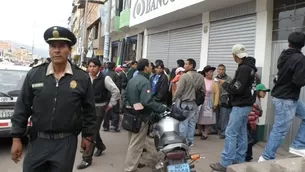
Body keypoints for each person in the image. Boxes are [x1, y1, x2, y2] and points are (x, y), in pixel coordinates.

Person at [10, 26, 96, 172]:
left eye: (61, 46)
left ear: (69, 49)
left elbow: (89, 110)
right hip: (38, 141)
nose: (56, 50)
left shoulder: (81, 77)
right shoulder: (35, 74)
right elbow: (22, 107)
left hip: (66, 142)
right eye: (52, 46)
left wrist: (88, 136)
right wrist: (16, 138)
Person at [258, 32, 305, 161]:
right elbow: (298, 81)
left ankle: (299, 145)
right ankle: (267, 157)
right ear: (302, 45)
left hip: (282, 96)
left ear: (289, 43)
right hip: (287, 99)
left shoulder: (283, 55)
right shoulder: (300, 59)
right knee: (280, 130)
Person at [210, 44, 257, 171]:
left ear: (234, 56)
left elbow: (237, 88)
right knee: (241, 133)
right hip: (247, 105)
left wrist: (224, 84)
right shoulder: (252, 69)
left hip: (240, 105)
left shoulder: (244, 69)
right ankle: (239, 159)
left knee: (230, 133)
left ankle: (225, 162)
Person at [123, 59, 167, 172]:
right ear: (145, 68)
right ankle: (130, 168)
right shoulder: (145, 81)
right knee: (136, 144)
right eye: (150, 66)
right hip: (140, 117)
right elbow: (147, 101)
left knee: (132, 141)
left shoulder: (133, 79)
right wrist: (161, 108)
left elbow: (124, 95)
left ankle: (135, 163)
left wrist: (129, 106)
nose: (151, 68)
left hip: (131, 115)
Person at [77, 58, 120, 169]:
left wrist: (110, 105)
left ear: (99, 67)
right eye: (90, 66)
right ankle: (101, 146)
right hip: (86, 109)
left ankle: (86, 159)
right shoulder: (85, 77)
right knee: (92, 130)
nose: (91, 69)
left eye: (94, 66)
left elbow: (116, 91)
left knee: (91, 133)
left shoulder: (105, 78)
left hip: (99, 108)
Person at [173, 58, 205, 147]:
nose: (184, 66)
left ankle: (183, 142)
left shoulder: (184, 76)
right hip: (194, 103)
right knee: (192, 123)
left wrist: (173, 100)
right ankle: (190, 141)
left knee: (183, 123)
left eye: (186, 64)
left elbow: (179, 91)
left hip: (185, 103)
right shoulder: (200, 77)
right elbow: (203, 91)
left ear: (191, 66)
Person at [246, 84, 269, 162]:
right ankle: (245, 154)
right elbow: (251, 114)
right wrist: (253, 126)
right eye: (263, 92)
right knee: (253, 139)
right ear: (258, 91)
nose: (265, 93)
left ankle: (248, 156)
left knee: (249, 140)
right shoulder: (255, 100)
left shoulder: (258, 99)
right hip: (250, 123)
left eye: (265, 92)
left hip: (251, 123)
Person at [197, 65, 219, 140]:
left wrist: (215, 104)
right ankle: (200, 130)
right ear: (206, 73)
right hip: (201, 101)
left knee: (208, 118)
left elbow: (217, 93)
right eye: (210, 72)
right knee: (198, 117)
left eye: (212, 72)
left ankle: (205, 133)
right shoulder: (201, 80)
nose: (212, 73)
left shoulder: (214, 82)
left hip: (209, 102)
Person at [216, 64, 233, 139]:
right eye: (219, 69)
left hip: (225, 101)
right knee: (216, 116)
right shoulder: (215, 79)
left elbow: (231, 89)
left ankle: (224, 132)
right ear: (217, 70)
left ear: (225, 70)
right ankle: (217, 130)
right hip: (216, 101)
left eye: (222, 69)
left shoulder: (229, 79)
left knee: (224, 117)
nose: (221, 71)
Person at [104, 62, 121, 132]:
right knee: (115, 111)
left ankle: (105, 126)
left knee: (107, 110)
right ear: (114, 67)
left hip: (106, 96)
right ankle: (114, 125)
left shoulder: (104, 75)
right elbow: (118, 86)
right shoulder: (116, 75)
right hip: (114, 95)